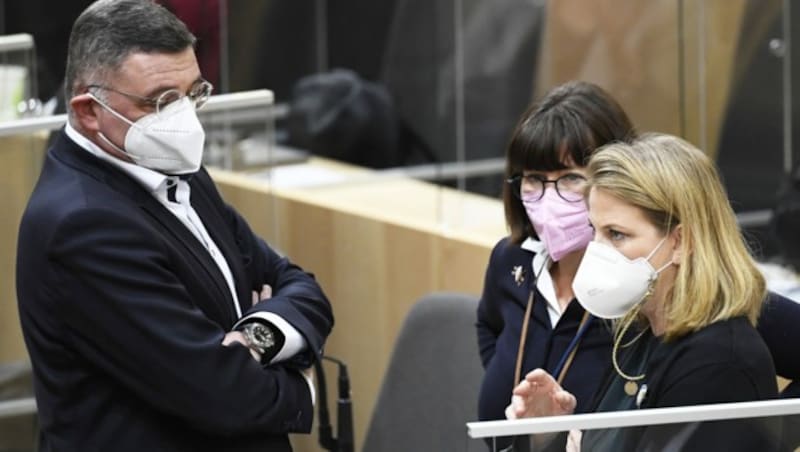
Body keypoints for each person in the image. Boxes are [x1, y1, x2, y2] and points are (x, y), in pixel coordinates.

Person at [15, 1, 333, 451]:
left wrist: (257, 337)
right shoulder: (83, 226)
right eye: (162, 101)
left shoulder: (174, 166)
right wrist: (301, 384)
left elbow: (297, 283)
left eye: (194, 93)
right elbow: (225, 396)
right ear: (89, 111)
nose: (184, 118)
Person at [476, 81, 800, 449]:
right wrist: (549, 435)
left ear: (681, 241)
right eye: (594, 231)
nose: (598, 252)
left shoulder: (717, 361)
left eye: (617, 235)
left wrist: (774, 431)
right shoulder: (636, 329)